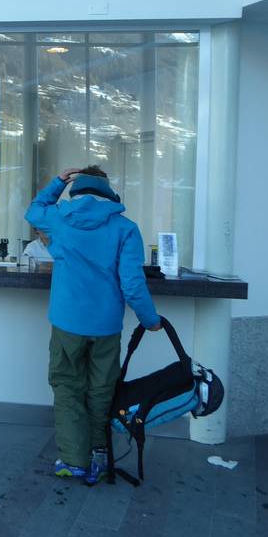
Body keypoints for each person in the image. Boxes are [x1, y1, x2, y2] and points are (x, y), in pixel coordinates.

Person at [25, 164, 161, 486]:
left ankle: (74, 461)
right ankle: (99, 455)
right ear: (107, 189)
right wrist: (150, 320)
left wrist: (57, 182)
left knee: (67, 387)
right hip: (106, 326)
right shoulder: (126, 228)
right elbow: (132, 284)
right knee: (101, 389)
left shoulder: (58, 218)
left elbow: (33, 210)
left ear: (77, 186)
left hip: (67, 323)